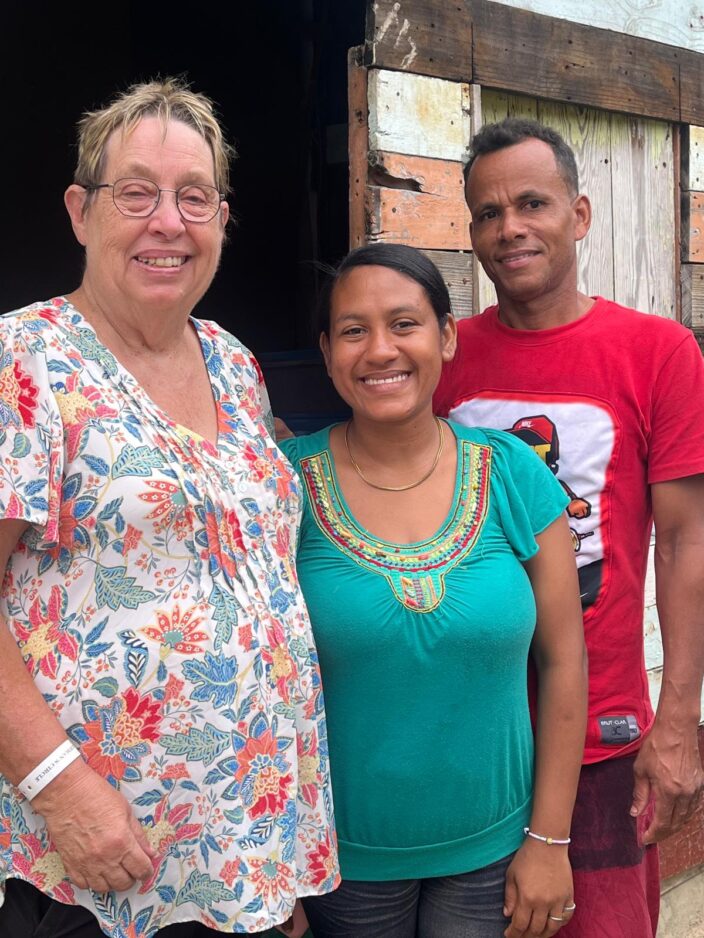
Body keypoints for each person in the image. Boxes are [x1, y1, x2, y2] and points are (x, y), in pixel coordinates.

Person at [0, 78, 339, 938]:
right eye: (136, 193)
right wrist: (59, 789)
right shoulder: (25, 359)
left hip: (246, 849)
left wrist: (278, 850)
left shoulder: (232, 361)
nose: (168, 222)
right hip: (101, 858)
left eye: (194, 197)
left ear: (222, 219)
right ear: (80, 212)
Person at [434, 117, 704, 938]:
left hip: (601, 737)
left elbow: (685, 544)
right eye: (487, 213)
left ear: (579, 214)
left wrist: (678, 721)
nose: (509, 228)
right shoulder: (440, 356)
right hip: (465, 732)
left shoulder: (658, 352)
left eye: (532, 203)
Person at [279, 243, 588, 938]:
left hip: (496, 853)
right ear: (327, 353)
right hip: (339, 861)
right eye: (353, 331)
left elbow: (564, 660)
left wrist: (549, 840)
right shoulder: (282, 486)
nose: (380, 350)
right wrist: (271, 856)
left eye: (404, 324)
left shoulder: (511, 472)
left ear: (446, 336)